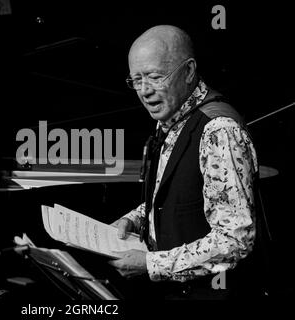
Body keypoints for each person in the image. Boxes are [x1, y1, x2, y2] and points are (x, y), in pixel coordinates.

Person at [109, 25, 260, 299]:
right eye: (136, 80)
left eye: (155, 77)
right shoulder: (172, 116)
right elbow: (180, 196)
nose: (144, 91)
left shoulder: (219, 130)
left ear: (189, 71)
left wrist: (151, 264)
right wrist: (134, 219)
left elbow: (235, 240)